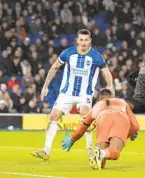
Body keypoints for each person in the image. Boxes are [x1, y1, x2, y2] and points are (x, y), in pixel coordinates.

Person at [31, 29, 114, 160]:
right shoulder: (68, 53)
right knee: (53, 116)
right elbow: (54, 68)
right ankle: (46, 151)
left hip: (84, 95)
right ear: (77, 40)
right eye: (81, 40)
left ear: (90, 41)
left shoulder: (96, 56)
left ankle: (90, 150)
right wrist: (45, 86)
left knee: (87, 118)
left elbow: (106, 72)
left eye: (86, 40)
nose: (84, 43)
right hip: (66, 93)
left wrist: (110, 86)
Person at [61, 88, 139, 170]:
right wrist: (126, 134)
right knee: (114, 153)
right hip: (119, 117)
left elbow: (82, 128)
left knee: (100, 164)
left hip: (102, 120)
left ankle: (100, 153)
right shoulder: (122, 102)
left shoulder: (96, 106)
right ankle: (102, 153)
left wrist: (72, 139)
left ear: (99, 98)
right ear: (112, 96)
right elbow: (136, 126)